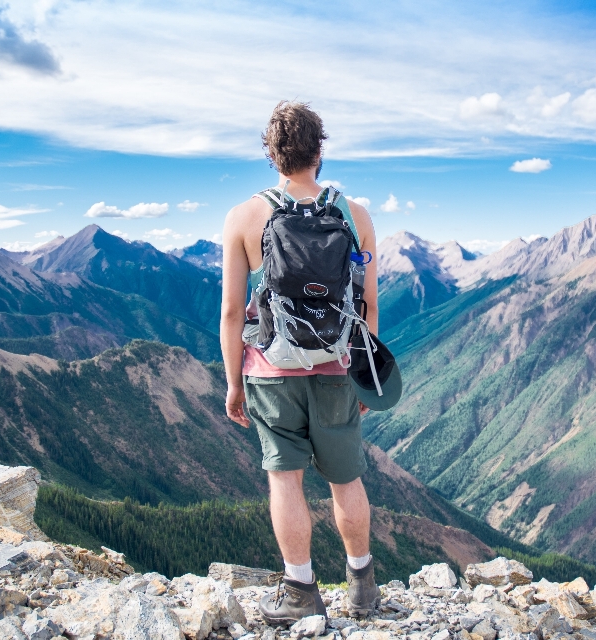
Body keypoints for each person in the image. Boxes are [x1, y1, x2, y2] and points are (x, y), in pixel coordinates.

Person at [220, 101, 380, 624]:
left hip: (269, 370)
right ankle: (362, 590)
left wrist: (233, 384)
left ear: (271, 154)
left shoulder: (244, 216)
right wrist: (366, 377)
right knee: (346, 479)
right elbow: (367, 306)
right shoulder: (354, 216)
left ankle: (300, 593)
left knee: (284, 481)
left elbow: (228, 310)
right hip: (337, 368)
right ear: (319, 149)